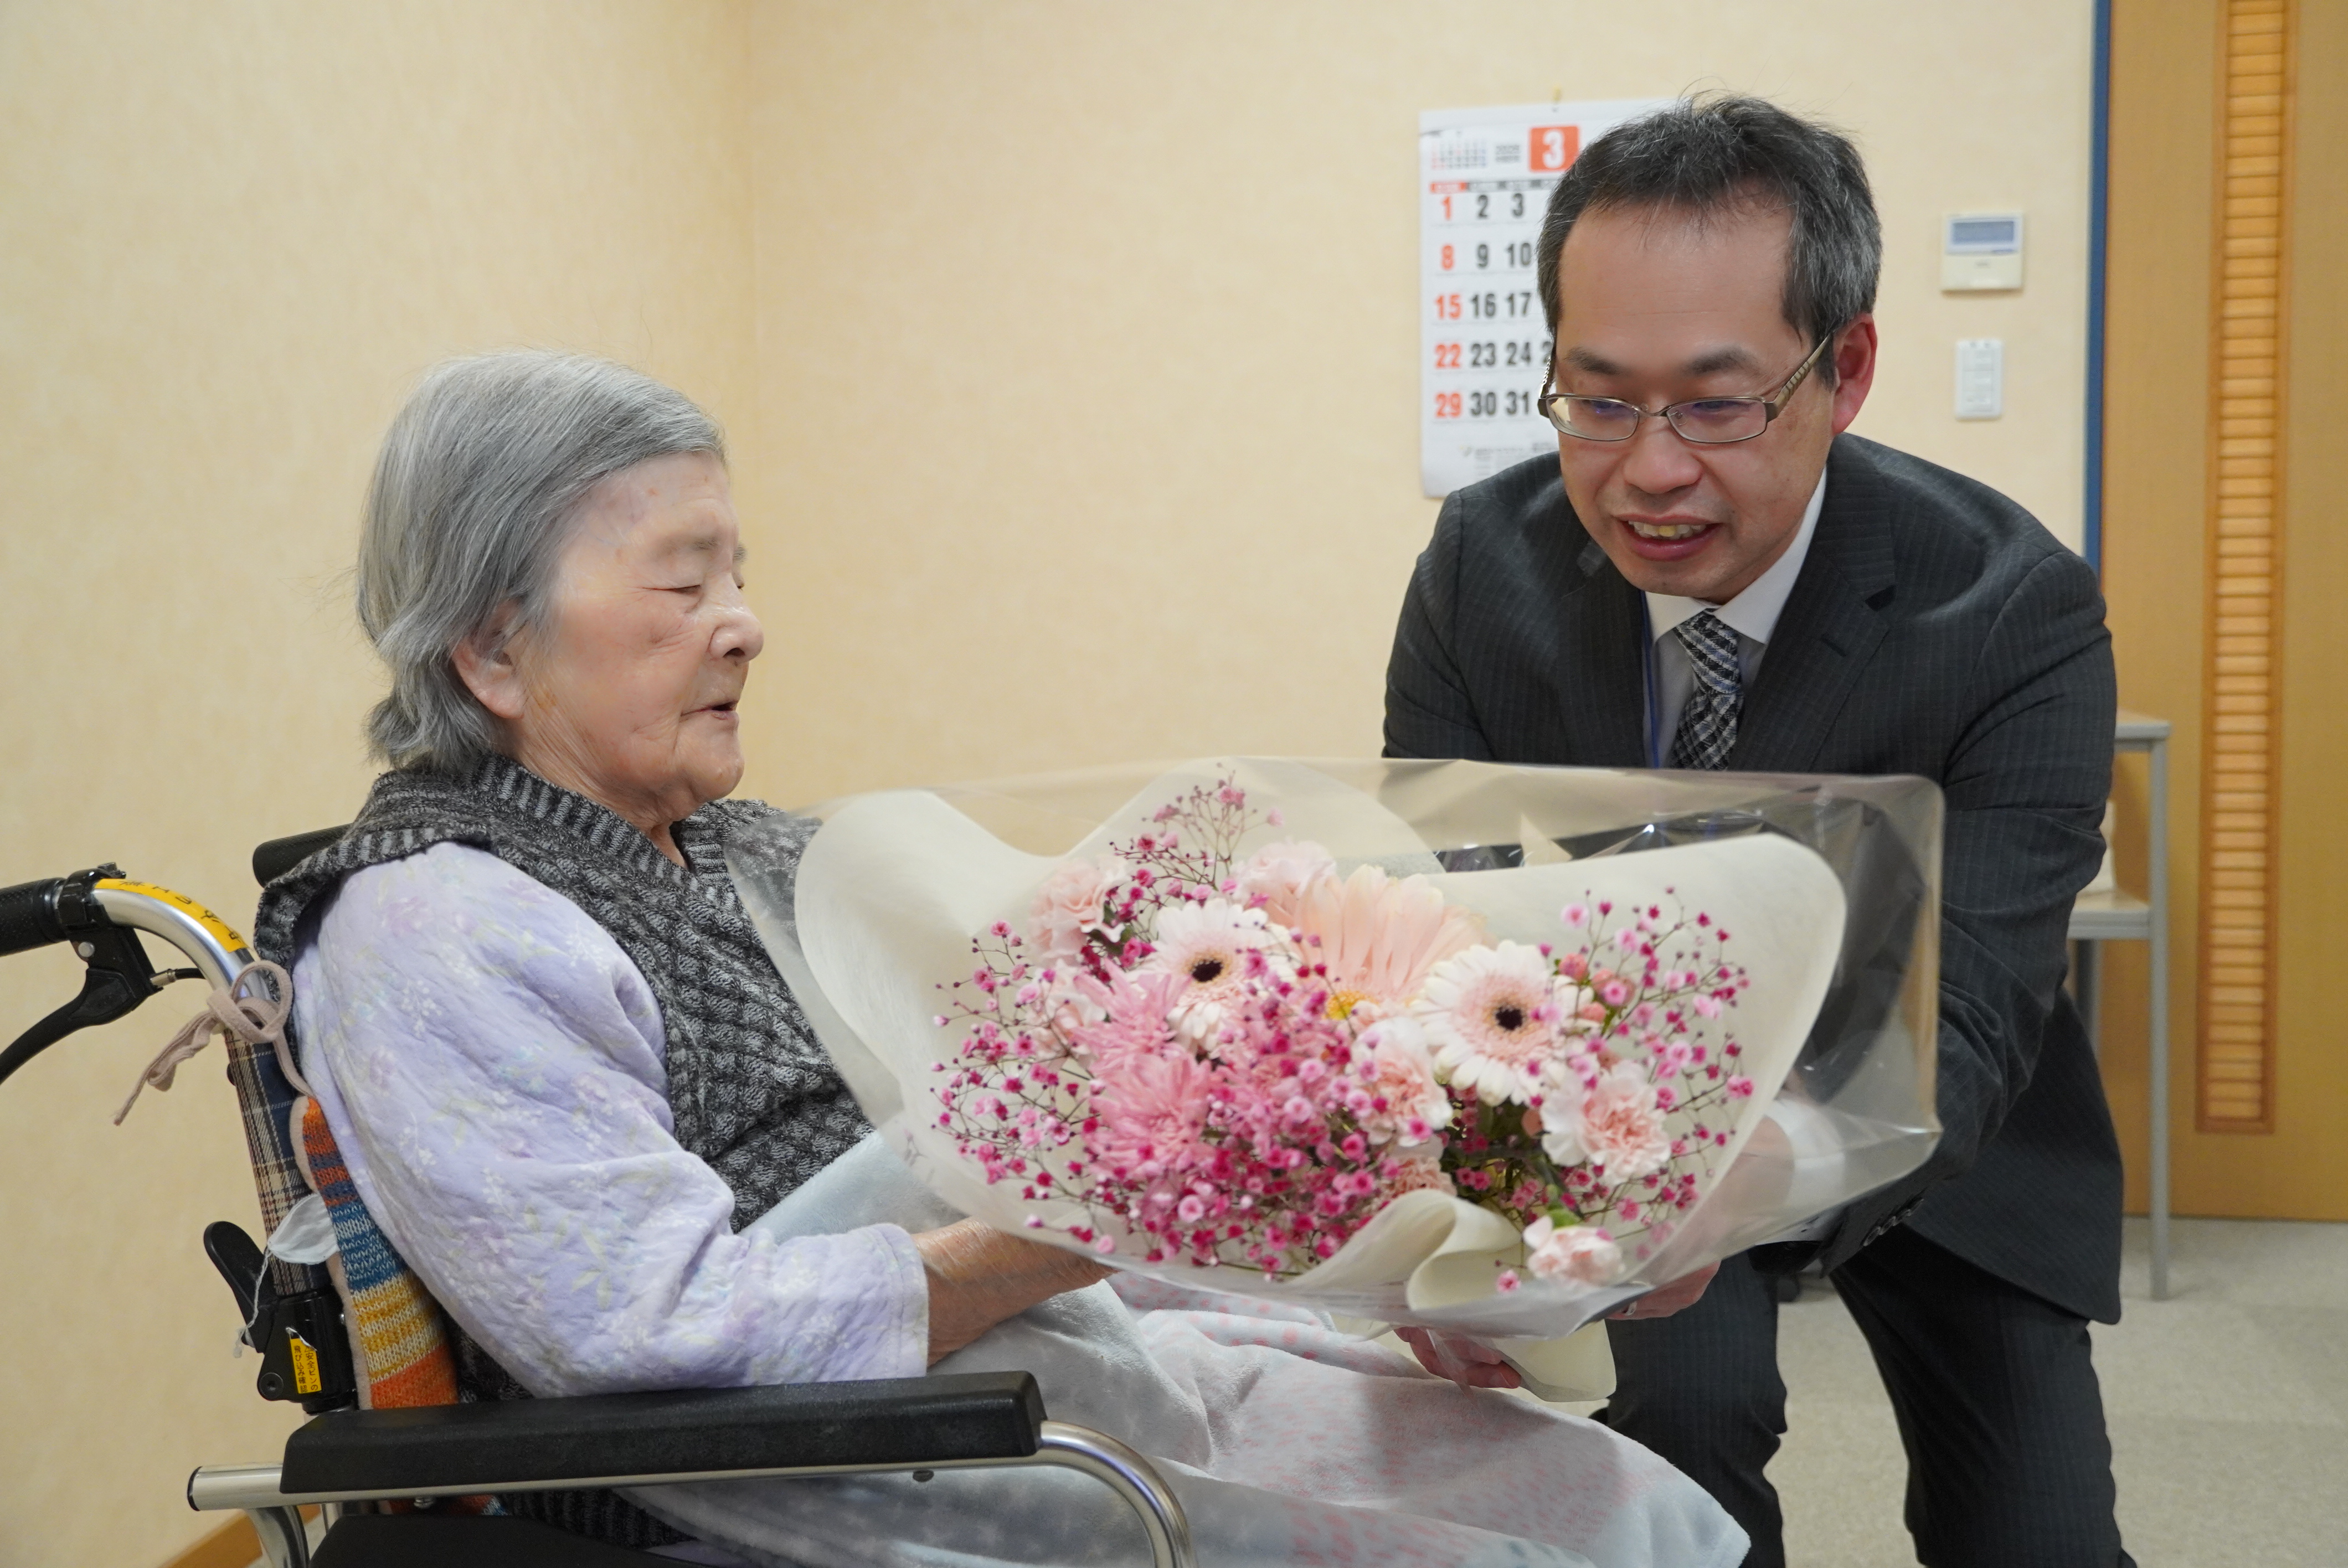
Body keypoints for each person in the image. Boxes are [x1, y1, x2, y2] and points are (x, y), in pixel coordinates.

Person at [255, 349, 1748, 1568]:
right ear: (494, 653)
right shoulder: (436, 927)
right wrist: (1065, 1228)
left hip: (1049, 1352)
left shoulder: (749, 851)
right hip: (801, 1467)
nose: (746, 627)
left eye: (738, 574)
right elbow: (651, 1334)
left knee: (1623, 1505)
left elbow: (1038, 1122)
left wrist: (1388, 1280)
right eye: (680, 583)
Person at [1383, 97, 2130, 1567]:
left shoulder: (2011, 609)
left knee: (2034, 1529)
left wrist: (1773, 1164)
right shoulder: (1487, 568)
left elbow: (1974, 1008)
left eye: (1716, 403)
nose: (1652, 471)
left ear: (1844, 369)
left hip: (1944, 1100)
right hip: (1634, 1099)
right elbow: (1431, 914)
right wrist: (1433, 1231)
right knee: (1673, 1461)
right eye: (1601, 399)